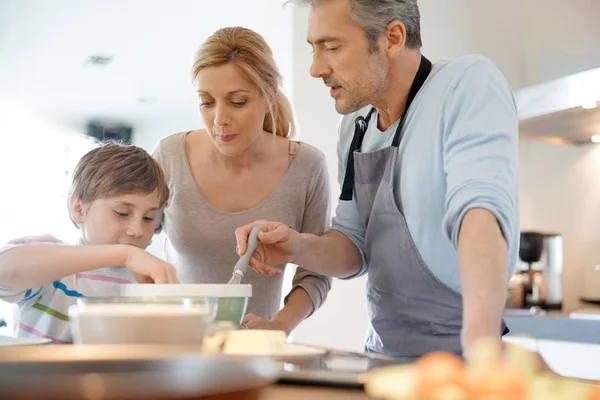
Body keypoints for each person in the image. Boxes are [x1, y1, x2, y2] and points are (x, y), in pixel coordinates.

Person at [235, 0, 519, 359]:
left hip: (464, 359)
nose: (315, 69)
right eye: (313, 48)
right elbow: (354, 245)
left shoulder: (466, 84)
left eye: (332, 47)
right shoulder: (356, 127)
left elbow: (479, 212)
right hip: (380, 357)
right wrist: (297, 247)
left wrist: (482, 346)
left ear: (393, 37)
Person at [152, 26, 332, 335]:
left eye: (236, 102)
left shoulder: (307, 167)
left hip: (255, 353)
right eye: (206, 102)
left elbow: (316, 273)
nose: (219, 118)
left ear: (269, 95)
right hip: (173, 345)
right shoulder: (169, 155)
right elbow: (129, 236)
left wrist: (279, 326)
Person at [0, 143, 178, 343]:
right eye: (122, 213)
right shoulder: (56, 272)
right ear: (78, 209)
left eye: (148, 218)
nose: (137, 230)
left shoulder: (148, 286)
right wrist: (125, 254)